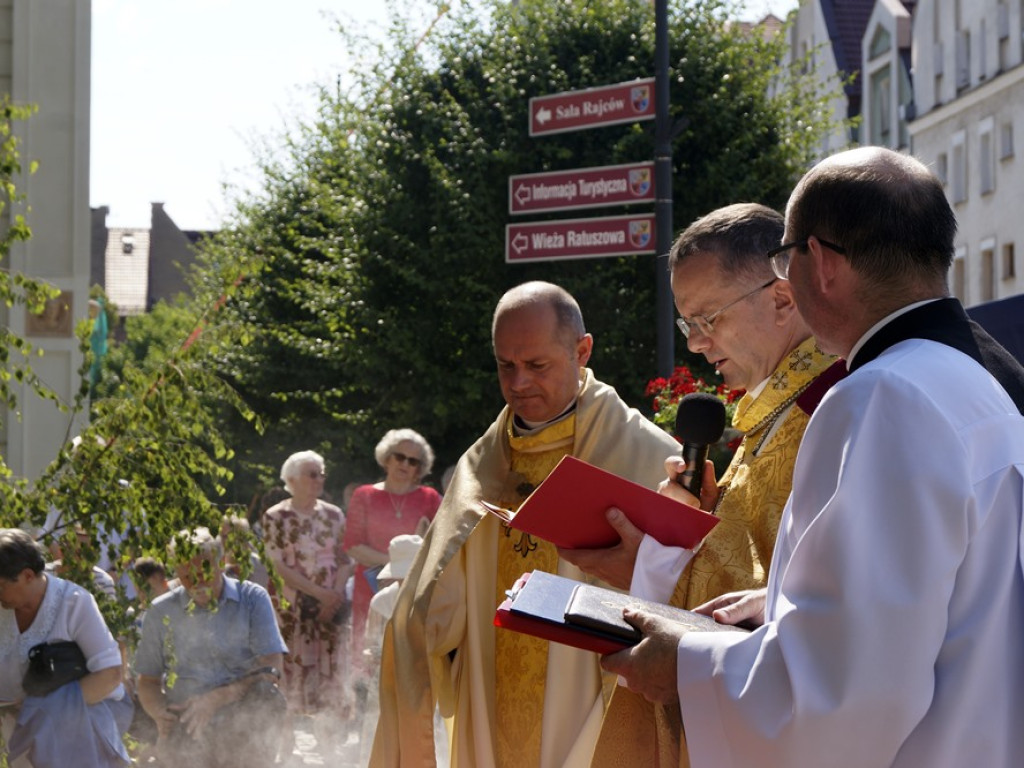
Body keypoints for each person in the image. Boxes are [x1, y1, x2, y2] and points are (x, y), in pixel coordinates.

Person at [604, 146, 1024, 767]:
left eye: (785, 257)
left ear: (819, 263)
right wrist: (774, 609)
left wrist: (688, 665)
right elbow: (955, 607)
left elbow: (844, 696)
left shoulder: (881, 397)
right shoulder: (978, 381)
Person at [558, 203, 843, 767]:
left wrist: (656, 565)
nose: (694, 343)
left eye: (707, 319)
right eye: (688, 324)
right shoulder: (775, 410)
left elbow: (807, 607)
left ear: (782, 298)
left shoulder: (831, 412)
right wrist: (676, 536)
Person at [371, 281, 680, 768]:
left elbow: (687, 604)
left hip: (599, 706)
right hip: (492, 705)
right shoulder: (481, 467)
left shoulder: (648, 459)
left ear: (582, 351)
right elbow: (431, 605)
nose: (518, 383)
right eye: (505, 366)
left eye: (537, 365)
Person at [134, 527, 288, 768]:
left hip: (241, 708)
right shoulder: (161, 611)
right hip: (188, 715)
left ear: (220, 561)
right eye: (187, 576)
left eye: (204, 572)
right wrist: (159, 713)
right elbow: (148, 682)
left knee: (267, 697)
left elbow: (272, 668)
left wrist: (218, 697)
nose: (197, 582)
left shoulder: (252, 598)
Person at [0, 528, 133, 767]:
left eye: (0, 585)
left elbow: (110, 674)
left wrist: (42, 709)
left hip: (80, 727)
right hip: (17, 729)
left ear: (27, 576)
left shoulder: (73, 601)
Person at [261, 451, 352, 736]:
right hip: (292, 609)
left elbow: (345, 560)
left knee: (331, 672)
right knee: (289, 673)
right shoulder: (275, 516)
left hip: (330, 610)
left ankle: (329, 745)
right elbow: (276, 564)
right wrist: (318, 593)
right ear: (291, 479)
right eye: (312, 474)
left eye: (321, 473)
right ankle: (285, 744)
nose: (319, 479)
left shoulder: (334, 514)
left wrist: (333, 597)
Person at [343, 429, 442, 687]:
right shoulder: (364, 495)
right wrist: (396, 563)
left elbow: (441, 542)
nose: (405, 464)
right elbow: (352, 545)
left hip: (415, 589)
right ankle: (365, 717)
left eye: (413, 461)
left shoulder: (430, 498)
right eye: (400, 457)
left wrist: (408, 567)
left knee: (411, 657)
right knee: (368, 652)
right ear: (387, 458)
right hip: (370, 586)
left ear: (420, 468)